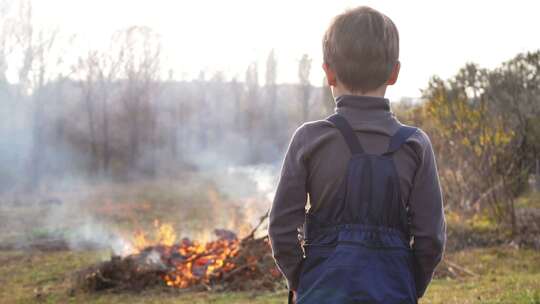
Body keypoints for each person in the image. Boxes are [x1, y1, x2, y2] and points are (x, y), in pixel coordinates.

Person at [268, 6, 446, 304]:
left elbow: (281, 230)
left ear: (328, 72)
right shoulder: (415, 145)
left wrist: (303, 280)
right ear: (394, 73)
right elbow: (431, 240)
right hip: (395, 291)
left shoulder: (310, 139)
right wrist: (408, 287)